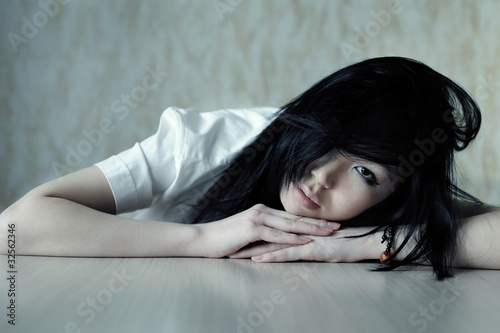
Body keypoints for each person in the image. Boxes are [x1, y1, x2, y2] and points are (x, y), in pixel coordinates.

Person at [1, 57, 498, 280]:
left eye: (366, 173)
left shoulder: (393, 205)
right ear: (311, 118)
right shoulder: (203, 143)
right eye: (330, 142)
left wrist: (361, 246)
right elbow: (14, 228)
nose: (322, 177)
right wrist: (205, 240)